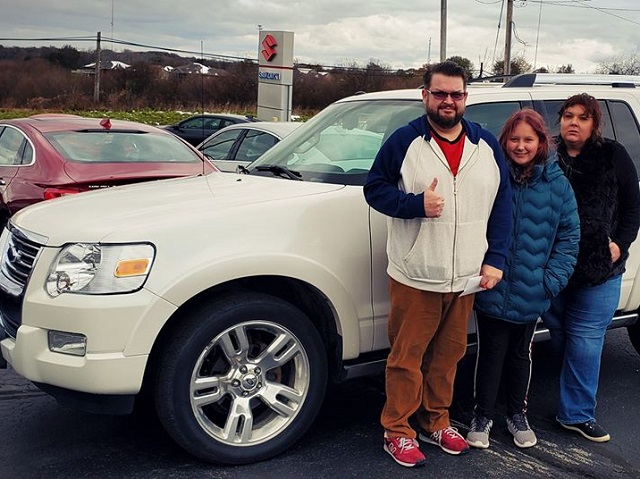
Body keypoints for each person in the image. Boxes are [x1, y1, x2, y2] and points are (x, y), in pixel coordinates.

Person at [363, 60, 513, 468]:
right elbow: (374, 190)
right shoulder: (404, 141)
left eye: (457, 94)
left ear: (466, 98)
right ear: (425, 95)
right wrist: (414, 205)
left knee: (448, 357)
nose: (449, 101)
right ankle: (397, 430)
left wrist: (495, 259)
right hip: (416, 275)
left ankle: (436, 421)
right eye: (441, 93)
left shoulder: (485, 146)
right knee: (406, 359)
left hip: (465, 276)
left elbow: (502, 204)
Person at [466, 109, 580, 450]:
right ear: (505, 141)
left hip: (534, 288)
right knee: (490, 352)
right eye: (514, 139)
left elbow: (569, 236)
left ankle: (517, 415)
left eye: (528, 139)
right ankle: (482, 416)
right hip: (492, 283)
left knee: (520, 354)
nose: (520, 146)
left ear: (541, 142)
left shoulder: (557, 183)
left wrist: (550, 282)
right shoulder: (493, 176)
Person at [541, 93, 640, 443]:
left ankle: (576, 414)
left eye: (583, 117)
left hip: (600, 269)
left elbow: (633, 205)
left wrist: (619, 244)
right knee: (564, 334)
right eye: (568, 115)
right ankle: (568, 386)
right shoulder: (546, 155)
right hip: (551, 267)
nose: (573, 122)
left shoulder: (613, 155)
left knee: (584, 339)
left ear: (594, 124)